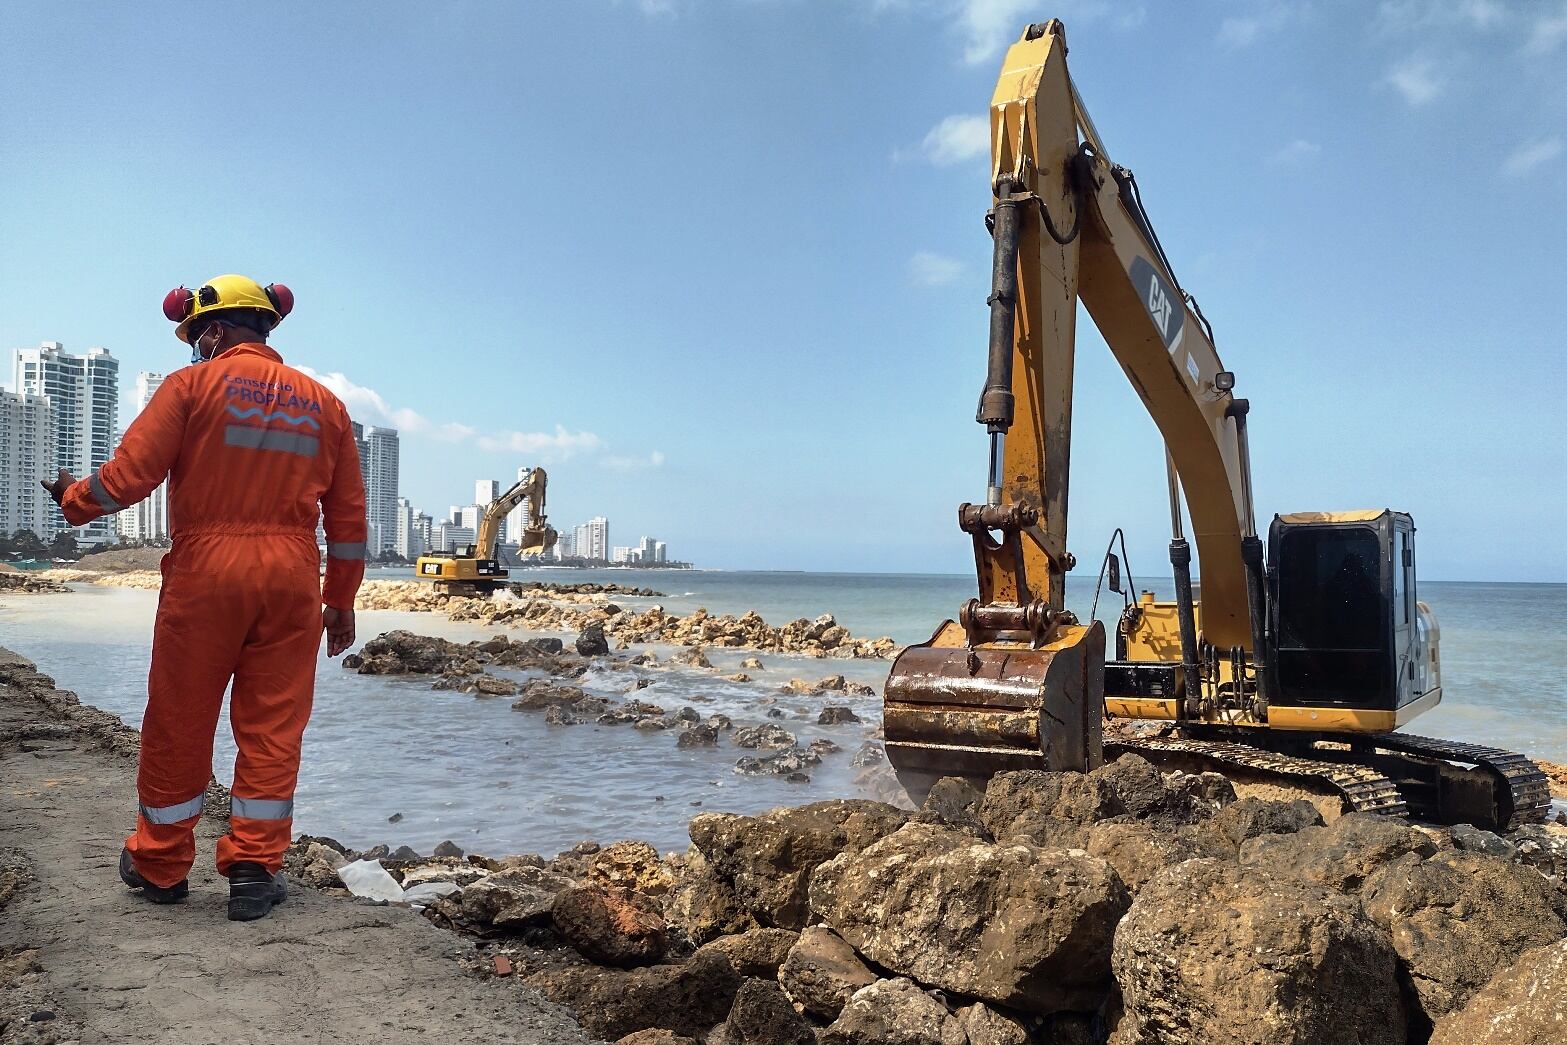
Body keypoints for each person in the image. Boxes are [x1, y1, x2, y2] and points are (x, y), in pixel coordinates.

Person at [42, 274, 367, 921]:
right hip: (293, 579)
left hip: (206, 573)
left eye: (194, 335)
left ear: (214, 330)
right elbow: (350, 521)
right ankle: (253, 867)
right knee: (273, 727)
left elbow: (129, 476)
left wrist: (74, 500)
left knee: (180, 719)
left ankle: (161, 866)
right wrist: (341, 600)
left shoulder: (190, 387)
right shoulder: (325, 405)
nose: (193, 347)